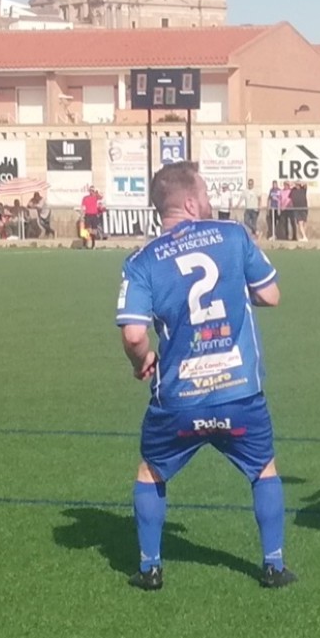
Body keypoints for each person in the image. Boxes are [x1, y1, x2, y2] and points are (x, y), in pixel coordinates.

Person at [116, 161, 296, 590]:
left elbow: (135, 332)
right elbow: (271, 294)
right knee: (263, 469)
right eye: (207, 193)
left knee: (151, 473)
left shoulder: (141, 261)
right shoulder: (233, 235)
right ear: (193, 202)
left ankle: (150, 568)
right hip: (239, 392)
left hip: (179, 399)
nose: (211, 200)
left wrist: (138, 362)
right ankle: (273, 565)